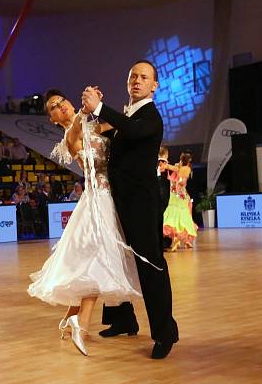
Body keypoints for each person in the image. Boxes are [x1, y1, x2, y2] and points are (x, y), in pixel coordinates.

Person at [28, 89, 142, 357]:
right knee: (98, 261)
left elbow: (121, 122)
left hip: (111, 199)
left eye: (62, 102)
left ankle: (73, 317)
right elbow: (79, 126)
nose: (60, 107)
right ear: (53, 118)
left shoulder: (96, 124)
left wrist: (109, 107)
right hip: (96, 202)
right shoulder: (70, 135)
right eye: (54, 108)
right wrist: (87, 107)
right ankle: (82, 324)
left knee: (97, 261)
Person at [81, 60, 178, 359]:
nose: (137, 80)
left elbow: (134, 132)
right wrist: (86, 117)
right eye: (133, 76)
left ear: (154, 85)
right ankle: (123, 319)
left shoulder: (150, 116)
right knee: (117, 260)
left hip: (141, 204)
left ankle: (165, 333)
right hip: (119, 200)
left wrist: (100, 108)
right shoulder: (127, 117)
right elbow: (117, 136)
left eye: (144, 77)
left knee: (150, 265)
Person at [162, 152, 198, 251]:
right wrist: (166, 165)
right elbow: (173, 170)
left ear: (182, 159)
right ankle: (183, 241)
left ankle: (178, 242)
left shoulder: (185, 169)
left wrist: (166, 166)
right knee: (179, 218)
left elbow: (179, 177)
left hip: (179, 197)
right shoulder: (181, 167)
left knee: (177, 218)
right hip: (176, 196)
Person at [157, 146, 172, 250]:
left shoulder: (161, 162)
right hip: (162, 189)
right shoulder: (162, 162)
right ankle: (160, 242)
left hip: (163, 188)